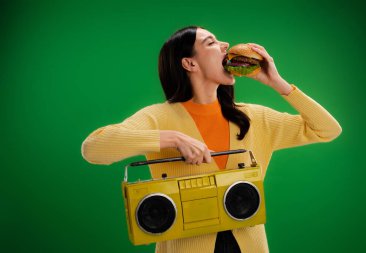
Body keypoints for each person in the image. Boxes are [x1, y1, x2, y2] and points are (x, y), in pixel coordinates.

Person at [81, 25, 342, 253]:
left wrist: (277, 82)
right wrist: (171, 138)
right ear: (189, 63)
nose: (225, 45)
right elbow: (93, 148)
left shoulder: (253, 118)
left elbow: (328, 129)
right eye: (211, 42)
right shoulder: (158, 117)